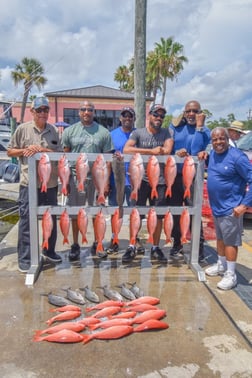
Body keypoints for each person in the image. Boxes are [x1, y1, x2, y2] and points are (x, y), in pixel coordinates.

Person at [7, 96, 62, 273]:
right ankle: (25, 258)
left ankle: (49, 250)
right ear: (32, 111)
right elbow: (10, 151)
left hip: (51, 184)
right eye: (39, 110)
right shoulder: (22, 129)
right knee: (26, 221)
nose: (43, 113)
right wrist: (27, 150)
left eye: (46, 110)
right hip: (28, 184)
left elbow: (59, 154)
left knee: (51, 219)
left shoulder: (53, 130)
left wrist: (44, 150)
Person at [61, 100, 114, 260]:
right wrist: (66, 181)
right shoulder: (69, 131)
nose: (86, 112)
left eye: (89, 109)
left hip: (97, 178)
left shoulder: (103, 132)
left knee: (96, 213)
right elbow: (65, 156)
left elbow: (108, 160)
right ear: (79, 112)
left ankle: (97, 243)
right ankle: (75, 244)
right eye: (83, 109)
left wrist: (105, 184)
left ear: (94, 112)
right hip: (76, 178)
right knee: (75, 213)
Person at [201, 127, 252, 290]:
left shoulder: (237, 157)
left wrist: (244, 205)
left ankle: (231, 274)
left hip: (231, 209)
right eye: (215, 140)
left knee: (231, 242)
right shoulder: (214, 154)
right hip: (217, 208)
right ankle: (221, 264)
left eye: (221, 139)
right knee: (221, 238)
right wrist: (204, 156)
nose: (218, 142)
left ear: (227, 138)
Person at [122, 104, 174, 263]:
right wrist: (150, 152)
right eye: (155, 115)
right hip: (140, 180)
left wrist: (159, 151)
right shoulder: (138, 132)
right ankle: (132, 245)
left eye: (161, 116)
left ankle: (155, 247)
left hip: (160, 181)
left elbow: (167, 149)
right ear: (149, 116)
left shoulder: (167, 132)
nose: (158, 118)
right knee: (135, 214)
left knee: (158, 216)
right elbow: (126, 149)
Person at [168, 100, 211, 262]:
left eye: (195, 111)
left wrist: (199, 128)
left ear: (200, 112)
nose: (191, 114)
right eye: (188, 111)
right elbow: (169, 149)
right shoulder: (175, 128)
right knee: (176, 212)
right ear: (184, 113)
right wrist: (176, 152)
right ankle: (177, 243)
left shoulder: (205, 131)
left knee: (195, 212)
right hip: (176, 177)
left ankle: (198, 247)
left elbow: (195, 150)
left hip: (194, 179)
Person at [107, 106, 144, 254]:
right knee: (116, 210)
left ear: (134, 118)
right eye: (125, 116)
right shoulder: (112, 135)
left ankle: (134, 239)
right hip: (116, 180)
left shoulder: (138, 135)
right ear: (120, 118)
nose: (127, 118)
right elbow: (107, 159)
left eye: (130, 116)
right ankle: (114, 237)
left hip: (134, 180)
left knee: (135, 211)